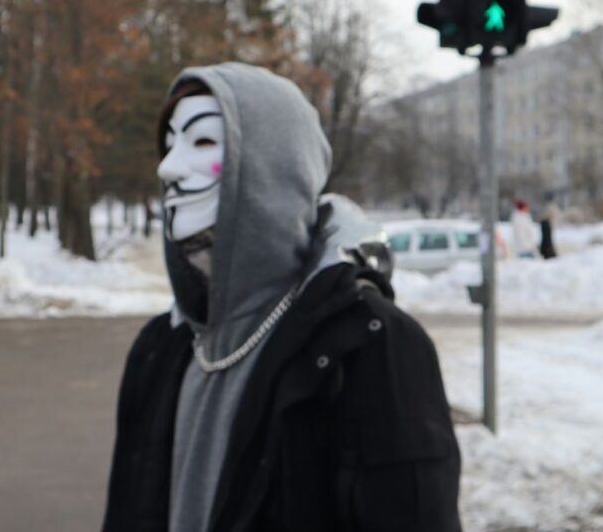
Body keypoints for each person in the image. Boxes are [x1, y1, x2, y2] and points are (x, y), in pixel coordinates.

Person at [103, 63, 462, 532]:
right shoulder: (160, 346)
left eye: (203, 142)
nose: (168, 167)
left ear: (270, 171)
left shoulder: (371, 346)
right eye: (169, 144)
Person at [538, 194, 559, 260]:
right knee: (548, 241)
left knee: (548, 241)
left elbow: (548, 215)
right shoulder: (552, 206)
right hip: (548, 226)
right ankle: (548, 253)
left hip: (548, 226)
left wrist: (543, 218)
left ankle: (548, 254)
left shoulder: (551, 207)